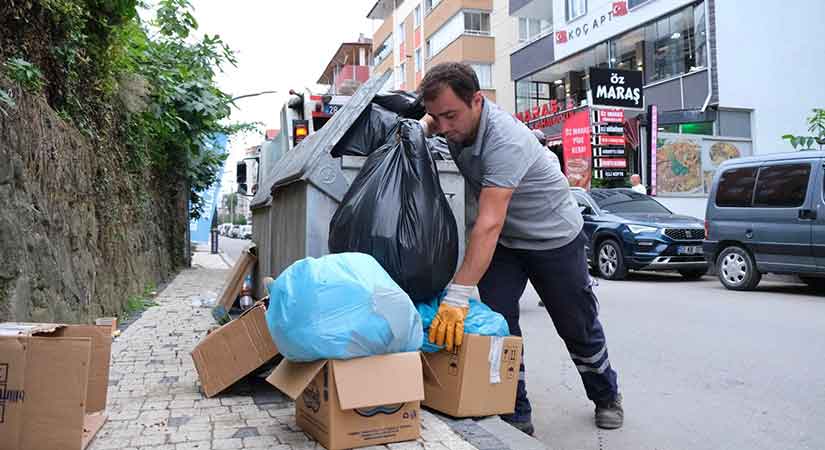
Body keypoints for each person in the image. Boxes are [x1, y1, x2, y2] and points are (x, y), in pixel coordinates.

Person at [419, 62, 623, 434]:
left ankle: (606, 394)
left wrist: (458, 296)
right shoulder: (450, 122)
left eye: (451, 115)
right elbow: (435, 121)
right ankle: (515, 411)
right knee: (500, 326)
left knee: (576, 325)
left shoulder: (504, 140)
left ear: (477, 100)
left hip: (553, 237)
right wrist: (424, 125)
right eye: (437, 116)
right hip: (507, 242)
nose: (444, 126)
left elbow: (488, 223)